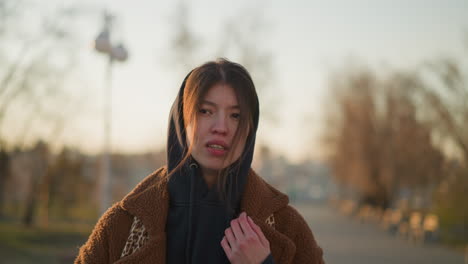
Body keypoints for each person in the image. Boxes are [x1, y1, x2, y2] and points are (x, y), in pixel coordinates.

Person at [75, 59, 325, 264]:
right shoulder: (123, 223)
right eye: (205, 111)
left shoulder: (286, 226)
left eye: (236, 115)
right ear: (182, 121)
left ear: (251, 128)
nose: (221, 127)